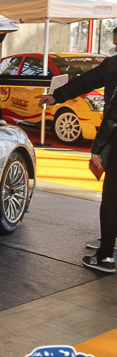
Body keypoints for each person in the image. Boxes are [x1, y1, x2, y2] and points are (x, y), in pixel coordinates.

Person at [38, 54, 117, 273]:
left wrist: (98, 148)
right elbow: (86, 81)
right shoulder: (111, 64)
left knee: (111, 200)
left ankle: (105, 257)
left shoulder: (114, 64)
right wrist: (57, 96)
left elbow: (113, 115)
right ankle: (111, 238)